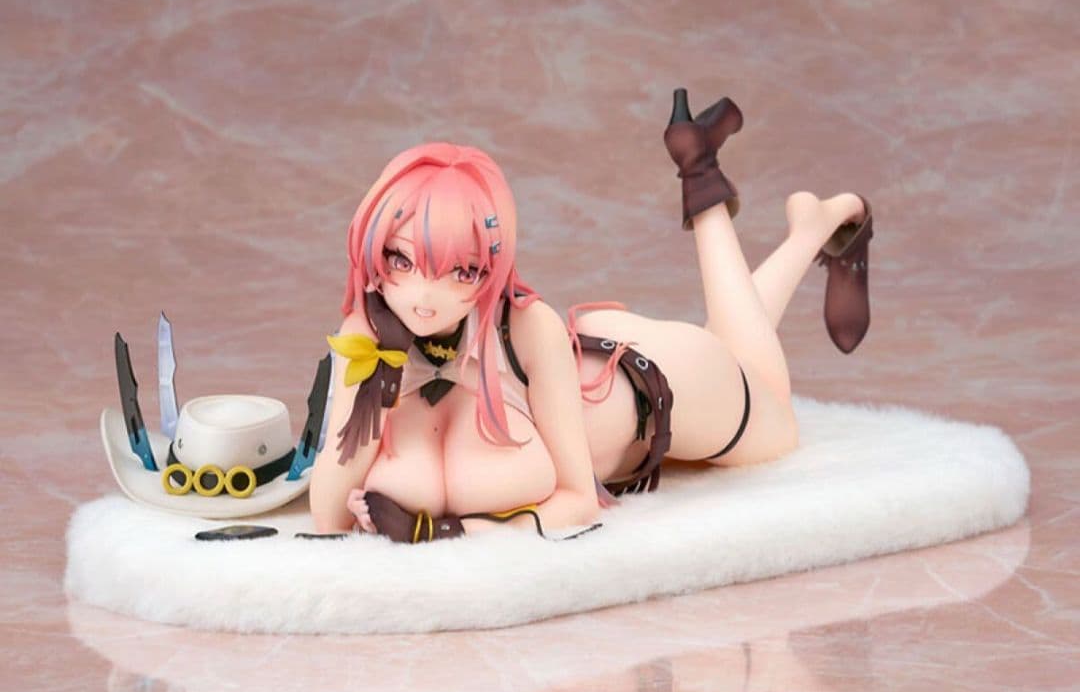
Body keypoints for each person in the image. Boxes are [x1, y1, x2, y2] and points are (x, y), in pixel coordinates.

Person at [309, 89, 873, 542]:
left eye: (461, 270)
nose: (422, 296)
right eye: (400, 260)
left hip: (662, 383)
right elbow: (329, 516)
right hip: (586, 358)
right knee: (740, 348)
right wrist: (378, 377)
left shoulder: (528, 327)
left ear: (492, 266)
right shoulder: (365, 335)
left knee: (773, 410)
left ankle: (717, 182)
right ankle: (803, 222)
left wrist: (449, 533)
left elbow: (578, 501)